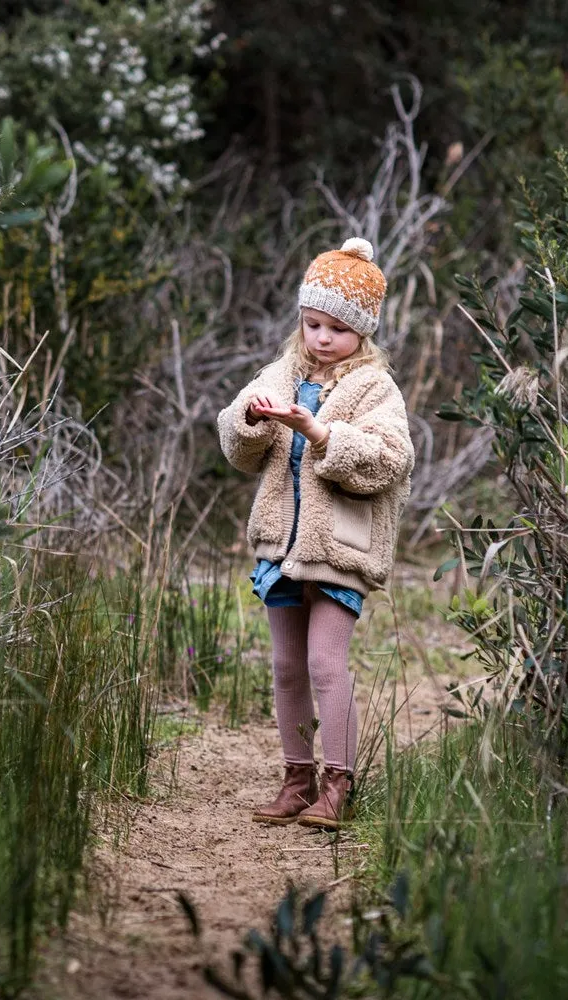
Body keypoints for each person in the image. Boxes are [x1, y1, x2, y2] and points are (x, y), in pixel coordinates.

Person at [217, 238, 414, 830]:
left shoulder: (376, 389)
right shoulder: (280, 374)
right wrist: (251, 420)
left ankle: (339, 784)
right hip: (281, 545)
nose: (322, 338)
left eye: (337, 328)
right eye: (312, 324)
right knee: (285, 665)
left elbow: (390, 460)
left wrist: (322, 433)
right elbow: (237, 445)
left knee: (326, 663)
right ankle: (297, 778)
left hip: (339, 549)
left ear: (363, 333)